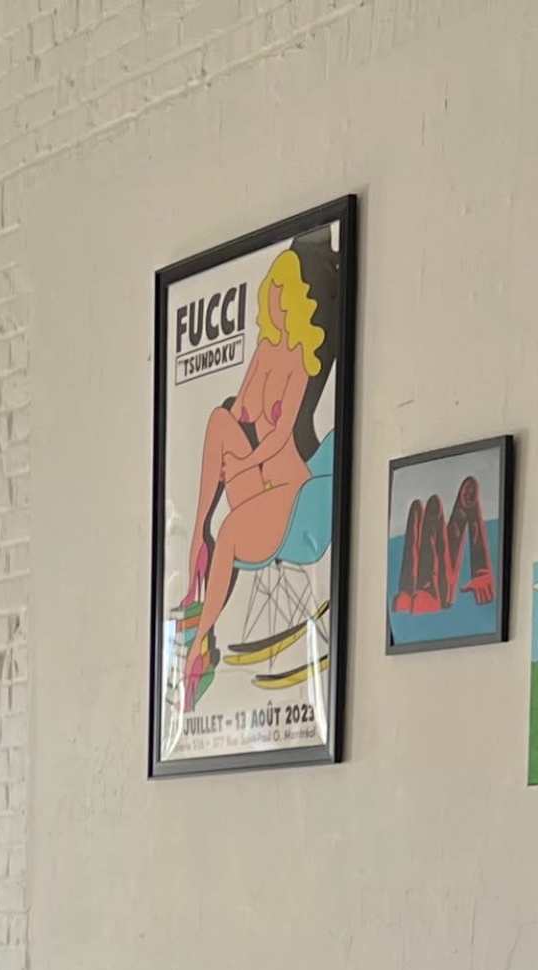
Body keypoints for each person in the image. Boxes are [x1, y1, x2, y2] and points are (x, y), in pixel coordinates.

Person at [171, 241, 333, 717]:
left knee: (233, 533)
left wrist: (243, 464)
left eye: (286, 293)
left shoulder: (301, 359)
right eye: (273, 292)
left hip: (289, 491)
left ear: (300, 299)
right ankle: (197, 540)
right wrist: (238, 456)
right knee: (219, 422)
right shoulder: (264, 352)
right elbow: (238, 414)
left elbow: (282, 438)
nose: (278, 302)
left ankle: (201, 647)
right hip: (253, 481)